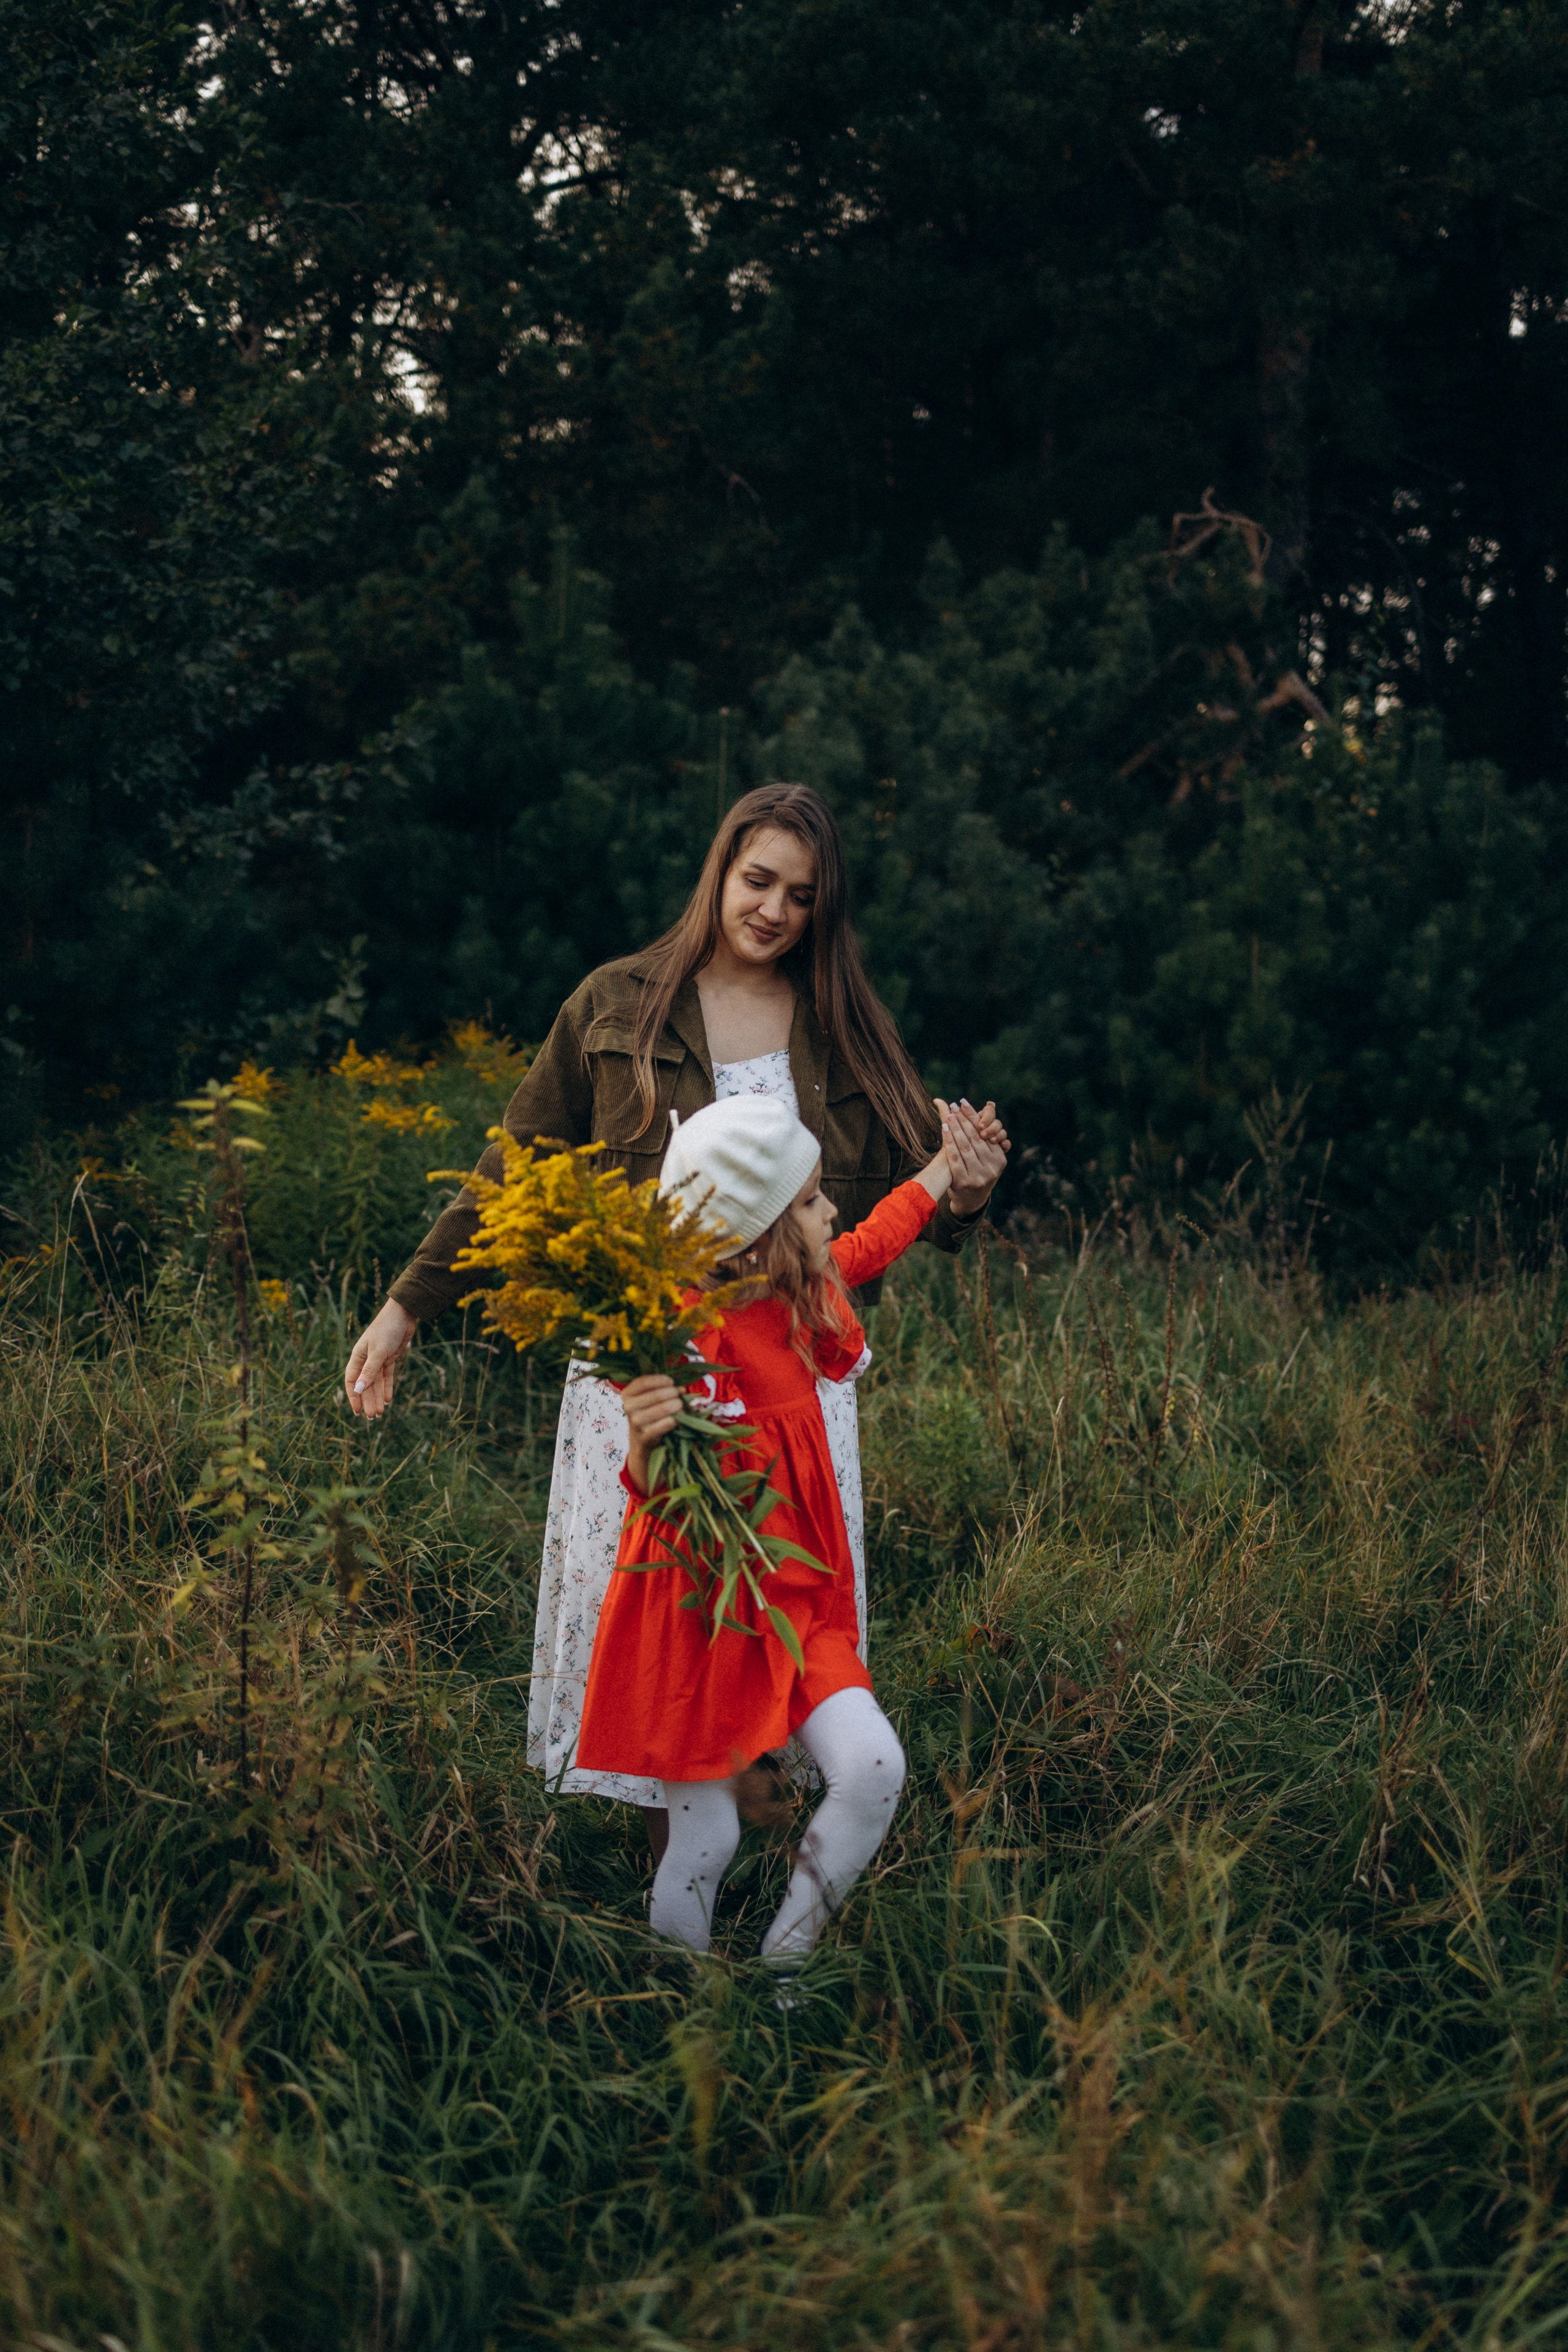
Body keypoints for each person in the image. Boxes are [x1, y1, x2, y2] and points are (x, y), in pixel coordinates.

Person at [342, 782, 1008, 1845]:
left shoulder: (844, 1026)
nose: (774, 911)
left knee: (771, 1623)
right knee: (666, 1622)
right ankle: (672, 1878)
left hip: (785, 1397)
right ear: (720, 870)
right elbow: (512, 1169)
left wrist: (965, 1185)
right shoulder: (617, 1003)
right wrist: (404, 1308)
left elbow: (905, 1193)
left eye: (801, 895)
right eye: (758, 881)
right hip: (647, 1381)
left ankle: (754, 1876)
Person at [577, 1092, 1008, 1977]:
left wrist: (942, 1168)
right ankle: (683, 2012)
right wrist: (643, 1436)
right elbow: (660, 1493)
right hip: (701, 1614)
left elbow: (876, 1237)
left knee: (875, 1767)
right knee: (706, 1841)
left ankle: (787, 1972)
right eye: (811, 1201)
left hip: (796, 1600)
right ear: (754, 1232)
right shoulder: (679, 1333)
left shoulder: (800, 1296)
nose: (830, 1211)